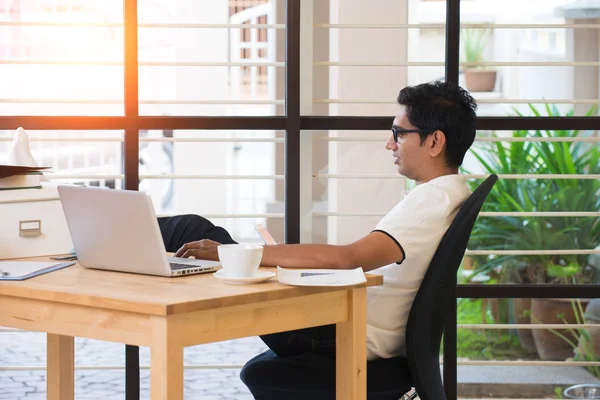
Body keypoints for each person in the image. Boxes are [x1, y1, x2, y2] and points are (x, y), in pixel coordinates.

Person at [172, 80, 478, 362]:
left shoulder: (433, 199)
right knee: (200, 236)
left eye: (399, 133)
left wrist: (235, 253)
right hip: (348, 319)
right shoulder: (448, 193)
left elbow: (348, 258)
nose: (389, 144)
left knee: (193, 231)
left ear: (435, 142)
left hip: (343, 330)